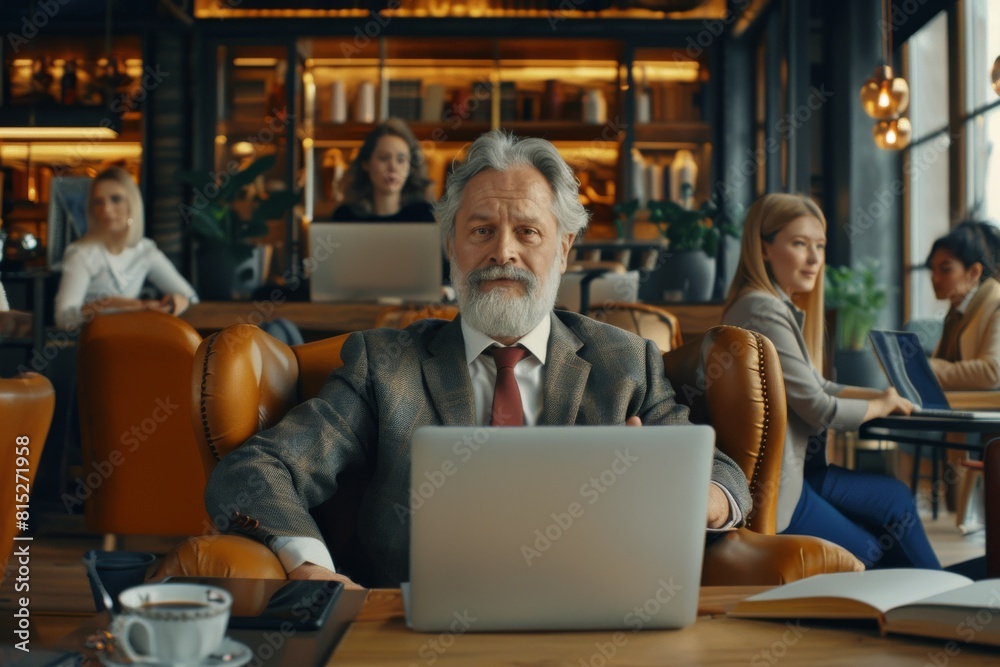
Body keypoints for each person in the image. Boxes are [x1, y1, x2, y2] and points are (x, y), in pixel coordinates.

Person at [206, 131, 753, 589]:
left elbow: (722, 474)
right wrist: (311, 568)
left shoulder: (627, 362)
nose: (503, 253)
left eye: (528, 232)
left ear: (563, 248)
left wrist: (687, 493)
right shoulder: (384, 364)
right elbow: (256, 471)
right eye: (482, 230)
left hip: (589, 623)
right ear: (452, 247)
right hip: (414, 628)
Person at [722, 192, 940, 569]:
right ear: (764, 248)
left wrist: (885, 396)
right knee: (877, 544)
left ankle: (933, 595)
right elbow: (819, 407)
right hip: (782, 488)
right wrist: (880, 404)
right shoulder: (763, 309)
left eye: (819, 246)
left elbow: (817, 386)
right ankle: (941, 598)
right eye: (799, 244)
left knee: (892, 505)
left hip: (795, 474)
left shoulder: (765, 304)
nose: (814, 259)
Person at [53, 167, 199, 330]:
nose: (106, 209)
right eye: (98, 202)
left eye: (115, 199)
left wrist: (173, 302)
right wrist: (125, 305)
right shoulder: (81, 253)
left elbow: (191, 298)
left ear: (132, 204)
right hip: (93, 345)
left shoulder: (145, 250)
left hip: (130, 339)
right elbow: (64, 319)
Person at [926, 221, 1000, 390]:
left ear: (974, 273)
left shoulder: (996, 305)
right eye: (932, 269)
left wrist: (926, 368)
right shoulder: (957, 311)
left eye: (945, 269)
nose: (935, 279)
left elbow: (992, 372)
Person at [331, 118, 435, 223]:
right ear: (366, 164)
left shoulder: (423, 215)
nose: (393, 167)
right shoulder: (345, 216)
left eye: (401, 160)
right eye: (384, 158)